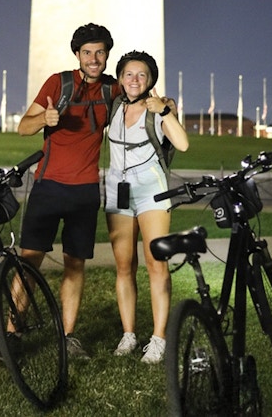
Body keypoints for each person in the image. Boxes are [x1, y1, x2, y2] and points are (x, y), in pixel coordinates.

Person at [15, 23, 120, 359]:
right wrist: (43, 119)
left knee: (75, 265)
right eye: (87, 52)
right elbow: (22, 128)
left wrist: (166, 104)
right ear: (77, 55)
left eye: (100, 52)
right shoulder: (57, 83)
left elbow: (140, 96)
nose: (94, 58)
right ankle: (12, 335)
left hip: (86, 191)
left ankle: (69, 337)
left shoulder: (111, 90)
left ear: (106, 56)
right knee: (29, 262)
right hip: (48, 187)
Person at [105, 51, 189, 364]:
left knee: (157, 263)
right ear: (120, 78)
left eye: (142, 75)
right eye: (129, 74)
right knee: (124, 265)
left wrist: (165, 111)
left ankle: (159, 339)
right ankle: (128, 335)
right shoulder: (114, 106)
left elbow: (182, 144)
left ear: (150, 79)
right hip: (117, 191)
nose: (135, 80)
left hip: (152, 191)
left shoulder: (160, 107)